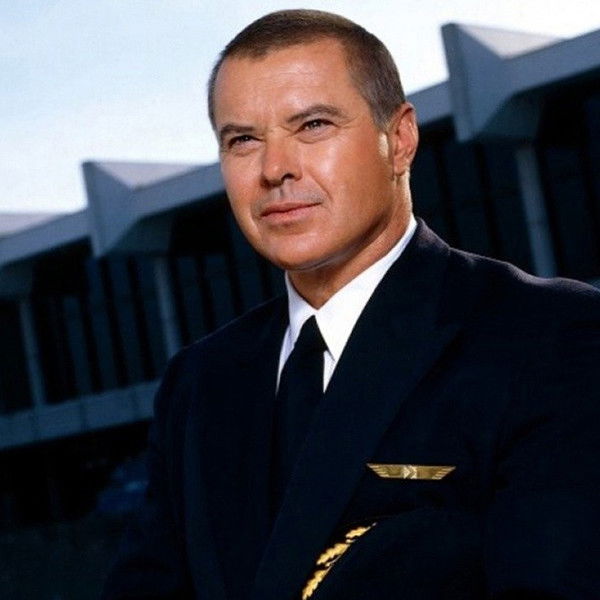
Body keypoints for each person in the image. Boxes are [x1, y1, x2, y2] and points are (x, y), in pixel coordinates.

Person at [102, 9, 600, 600]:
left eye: (313, 125)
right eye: (243, 140)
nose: (274, 169)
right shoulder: (200, 381)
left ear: (401, 140)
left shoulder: (549, 336)